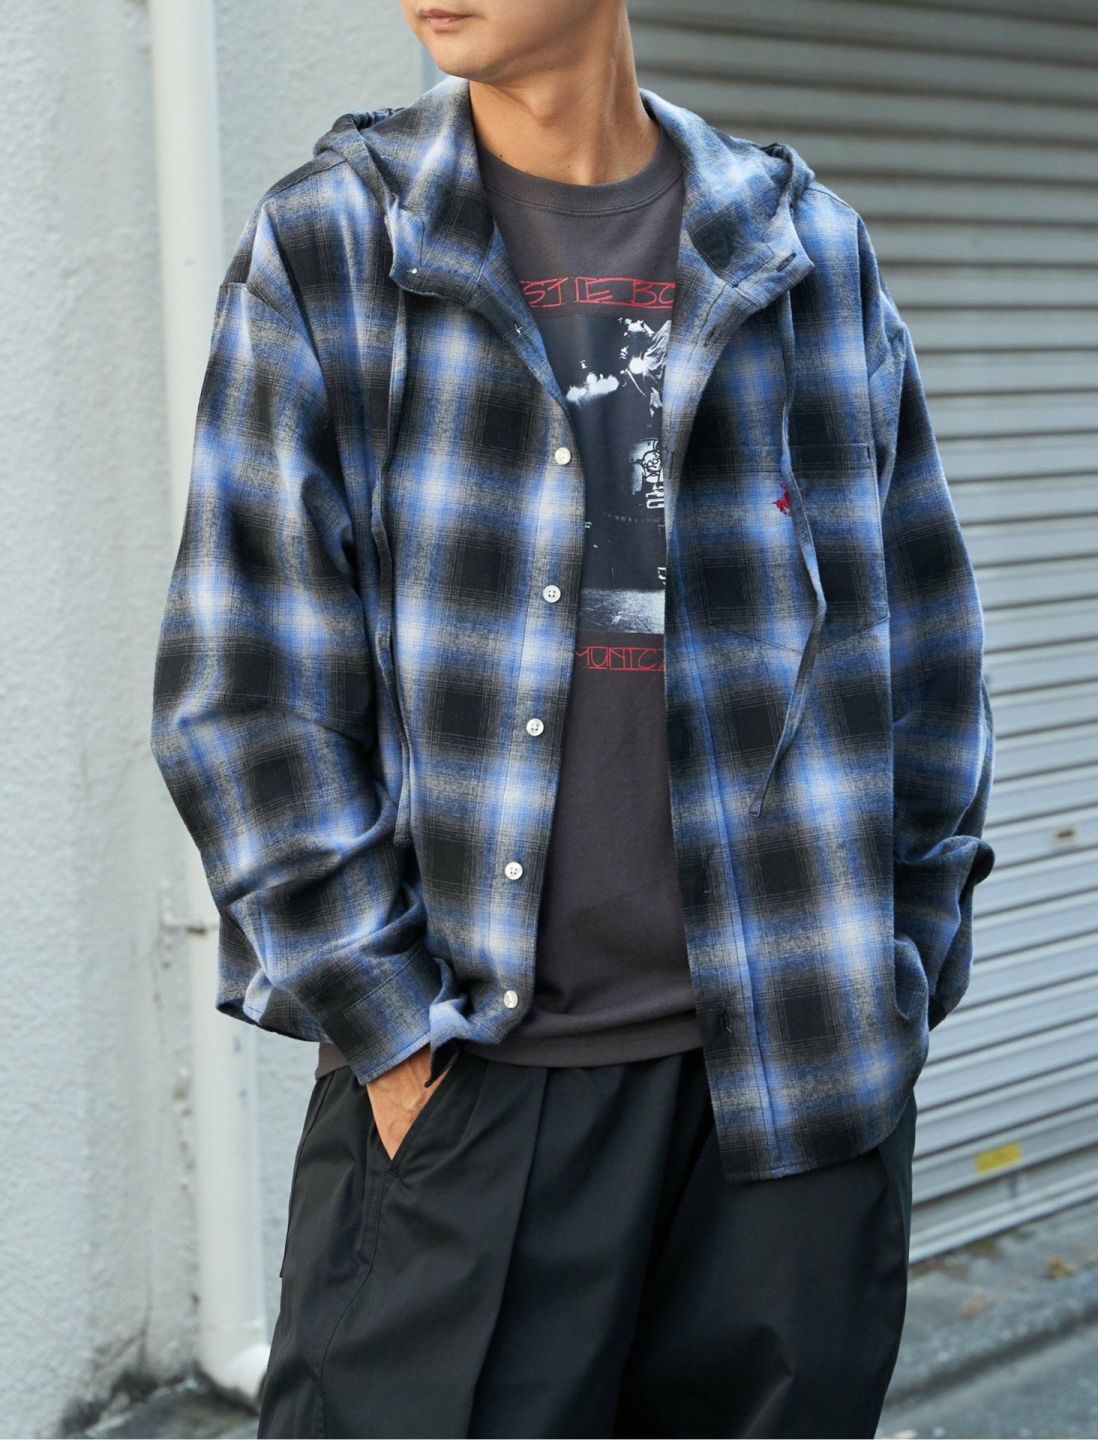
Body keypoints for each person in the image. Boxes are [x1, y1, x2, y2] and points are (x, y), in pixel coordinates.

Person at [149, 1, 996, 1435]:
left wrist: (894, 985)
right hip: (472, 1090)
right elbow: (244, 690)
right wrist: (393, 1039)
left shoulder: (801, 249)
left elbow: (925, 649)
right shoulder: (337, 246)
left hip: (793, 1100)